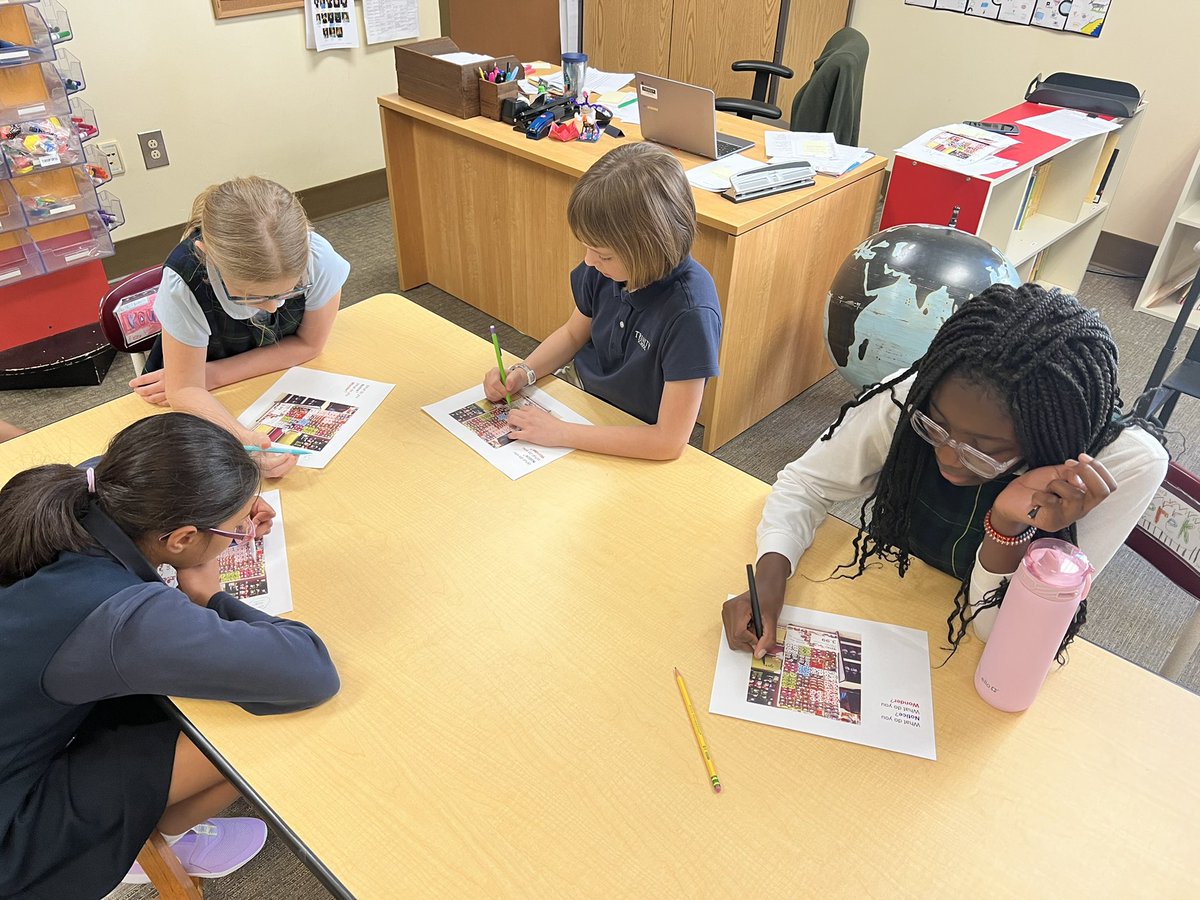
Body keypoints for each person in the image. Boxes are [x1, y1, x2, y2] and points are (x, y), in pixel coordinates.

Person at [722, 283, 1168, 661]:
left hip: (977, 650)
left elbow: (999, 635)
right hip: (899, 599)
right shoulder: (912, 396)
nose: (952, 457)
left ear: (1046, 443)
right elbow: (806, 483)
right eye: (936, 427)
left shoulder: (1118, 467)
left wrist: (1007, 525)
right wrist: (770, 576)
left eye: (984, 452)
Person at [0, 413, 340, 898]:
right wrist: (206, 596)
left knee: (183, 696)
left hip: (21, 728)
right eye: (232, 531)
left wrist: (229, 503)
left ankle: (151, 831)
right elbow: (310, 673)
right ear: (181, 538)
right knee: (261, 714)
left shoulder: (80, 488)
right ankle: (141, 846)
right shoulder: (124, 620)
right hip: (13, 833)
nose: (239, 534)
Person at [482, 143, 722, 461]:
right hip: (581, 399)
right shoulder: (608, 270)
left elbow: (668, 442)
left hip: (633, 433)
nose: (589, 261)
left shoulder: (690, 313)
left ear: (648, 247)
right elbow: (572, 334)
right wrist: (524, 371)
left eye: (603, 253)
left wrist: (562, 432)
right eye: (587, 247)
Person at [129, 176, 350, 478]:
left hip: (232, 378)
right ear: (208, 255)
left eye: (291, 290)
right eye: (252, 296)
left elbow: (310, 344)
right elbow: (183, 390)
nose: (274, 307)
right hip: (195, 387)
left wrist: (213, 374)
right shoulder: (186, 280)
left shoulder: (319, 259)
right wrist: (241, 440)